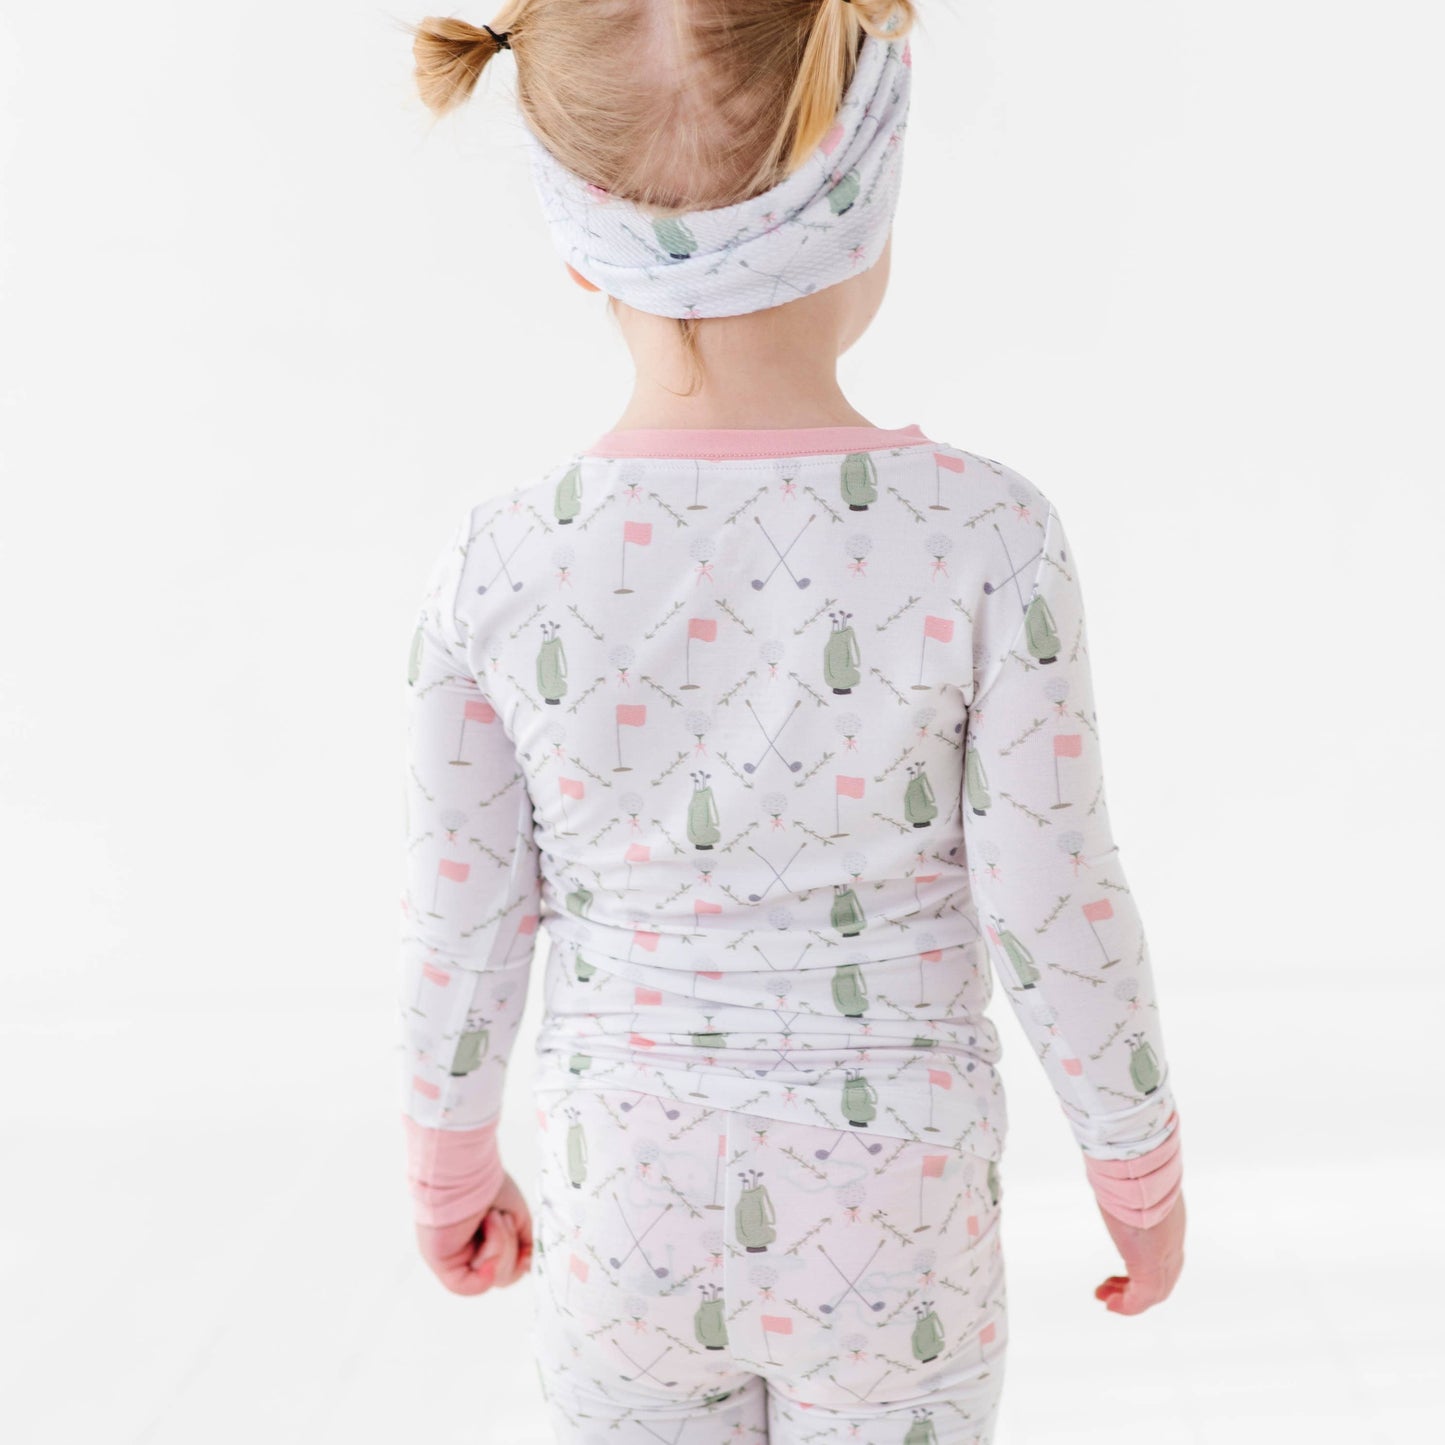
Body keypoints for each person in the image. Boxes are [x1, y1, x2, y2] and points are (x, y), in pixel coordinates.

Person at [397, 3, 1186, 1441]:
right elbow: (1051, 894)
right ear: (867, 190)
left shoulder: (498, 562)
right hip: (898, 1222)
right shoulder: (987, 534)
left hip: (621, 1205)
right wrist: (1137, 1171)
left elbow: (464, 917)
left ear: (577, 236)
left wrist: (449, 1171)